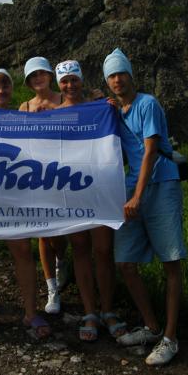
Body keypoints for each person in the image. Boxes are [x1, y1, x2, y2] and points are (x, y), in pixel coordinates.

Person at [102, 48, 186, 366]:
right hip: (133, 187)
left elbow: (150, 152)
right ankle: (151, 326)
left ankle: (170, 337)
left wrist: (136, 197)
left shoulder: (147, 104)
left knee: (170, 261)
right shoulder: (116, 112)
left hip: (161, 185)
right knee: (125, 262)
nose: (117, 80)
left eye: (121, 73)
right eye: (111, 76)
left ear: (131, 75)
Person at [0, 68, 51, 340]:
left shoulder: (22, 118)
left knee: (23, 251)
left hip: (14, 196)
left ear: (12, 90)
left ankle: (30, 311)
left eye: (5, 86)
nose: (0, 91)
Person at [56, 59, 126, 342]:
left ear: (82, 81)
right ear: (59, 85)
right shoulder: (52, 114)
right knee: (81, 249)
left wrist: (109, 107)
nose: (70, 85)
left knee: (103, 250)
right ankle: (89, 311)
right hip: (68, 191)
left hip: (99, 188)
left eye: (74, 79)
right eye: (65, 81)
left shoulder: (100, 107)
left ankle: (107, 310)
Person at [18, 56, 69, 314]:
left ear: (50, 75)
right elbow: (19, 142)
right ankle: (52, 290)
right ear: (28, 82)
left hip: (64, 173)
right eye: (33, 76)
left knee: (59, 231)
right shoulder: (25, 107)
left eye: (42, 73)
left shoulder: (63, 98)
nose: (38, 78)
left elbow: (81, 115)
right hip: (37, 176)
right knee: (42, 231)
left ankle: (61, 260)